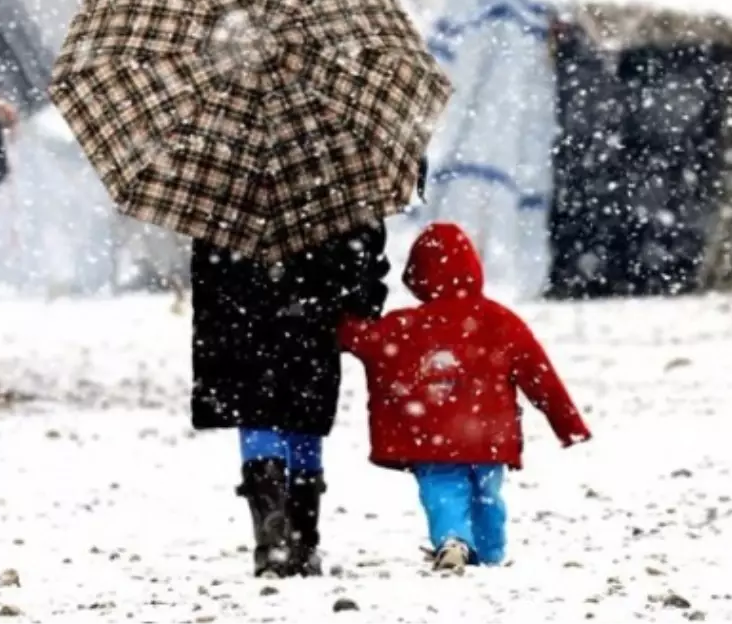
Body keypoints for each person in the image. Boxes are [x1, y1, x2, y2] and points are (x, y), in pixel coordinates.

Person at [339, 222, 592, 570]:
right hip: (491, 437)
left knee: (442, 489)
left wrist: (332, 319)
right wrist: (569, 425)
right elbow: (540, 377)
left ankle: (454, 540)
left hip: (430, 437)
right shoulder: (502, 321)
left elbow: (362, 339)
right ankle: (489, 553)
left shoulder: (405, 326)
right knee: (488, 495)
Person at [191, 224, 390, 578]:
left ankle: (272, 540)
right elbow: (363, 252)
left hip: (242, 319)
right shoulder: (334, 184)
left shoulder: (225, 188)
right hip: (311, 318)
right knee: (304, 418)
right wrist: (361, 299)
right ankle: (303, 540)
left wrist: (219, 312)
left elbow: (208, 266)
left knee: (257, 414)